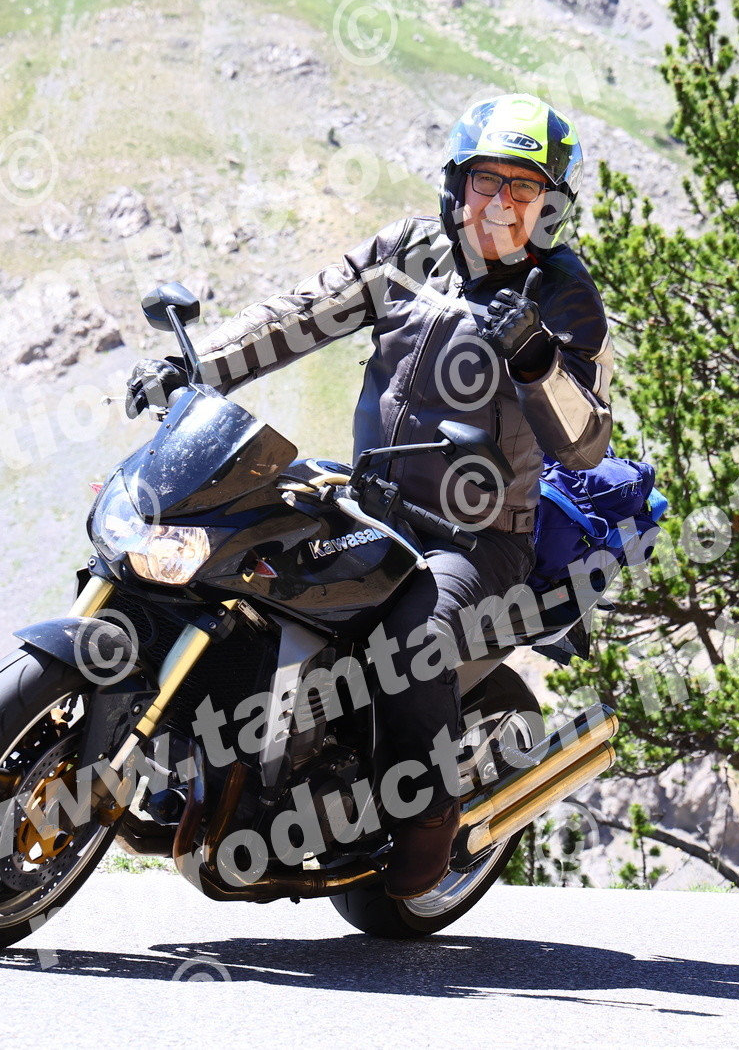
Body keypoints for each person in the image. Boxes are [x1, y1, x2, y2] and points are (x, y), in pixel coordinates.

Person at [124, 93, 614, 898]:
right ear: (457, 184)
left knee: (413, 634)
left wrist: (535, 361)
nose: (502, 203)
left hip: (477, 539)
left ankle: (428, 821)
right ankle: (207, 754)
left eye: (524, 188)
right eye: (488, 180)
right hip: (369, 501)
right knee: (227, 549)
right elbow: (301, 314)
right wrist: (197, 365)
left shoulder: (563, 295)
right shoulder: (409, 251)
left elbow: (585, 441)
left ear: (549, 207)